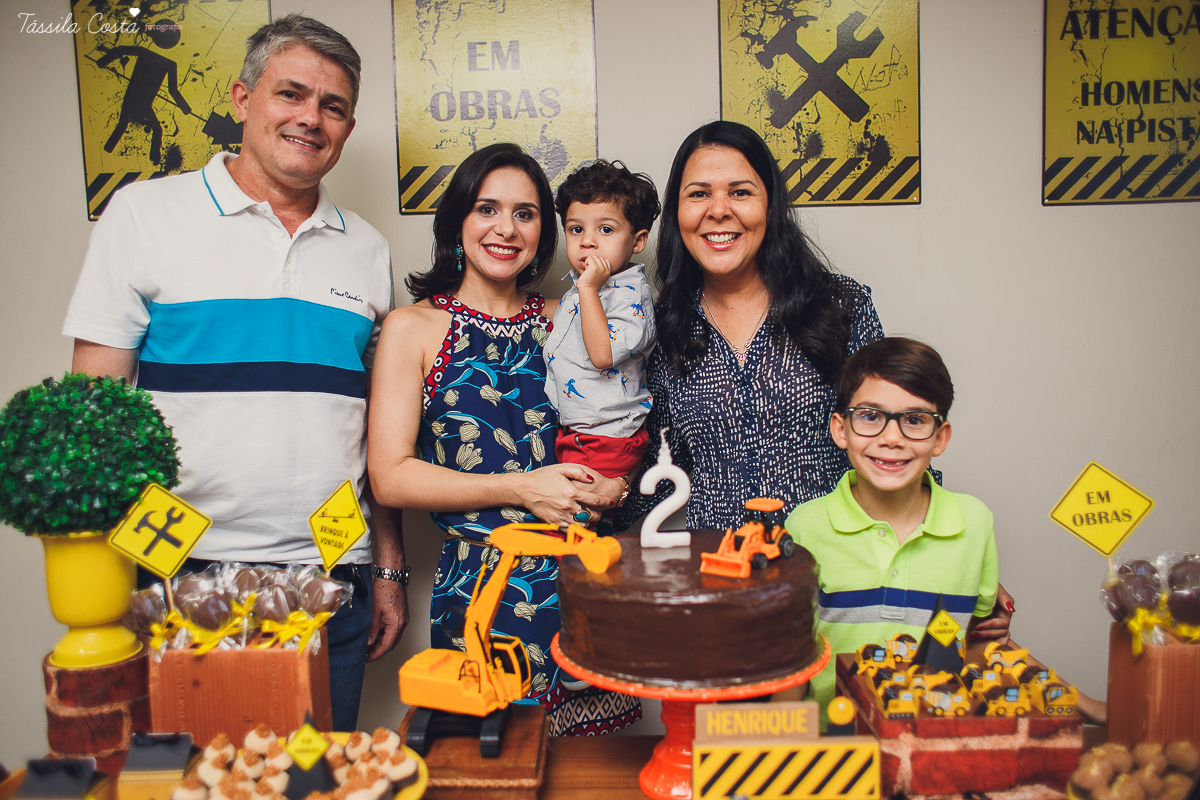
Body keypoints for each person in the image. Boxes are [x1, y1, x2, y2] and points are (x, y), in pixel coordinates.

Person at [61, 14, 407, 731]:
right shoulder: (144, 214)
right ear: (242, 98)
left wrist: (388, 566)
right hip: (181, 574)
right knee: (197, 780)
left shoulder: (368, 251)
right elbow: (92, 418)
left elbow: (378, 433)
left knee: (315, 780)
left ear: (347, 127)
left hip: (330, 575)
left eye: (333, 106)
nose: (311, 118)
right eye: (292, 93)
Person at [616, 120, 1015, 638]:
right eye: (699, 194)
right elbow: (657, 460)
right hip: (721, 587)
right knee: (728, 721)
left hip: (840, 585)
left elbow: (891, 428)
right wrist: (594, 522)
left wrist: (956, 563)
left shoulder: (840, 306)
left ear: (771, 206)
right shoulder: (659, 324)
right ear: (679, 215)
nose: (719, 210)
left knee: (845, 710)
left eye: (741, 192)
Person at [368, 143, 641, 736]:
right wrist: (523, 486)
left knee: (587, 777)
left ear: (546, 230)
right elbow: (390, 475)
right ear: (457, 220)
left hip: (583, 581)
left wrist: (619, 486)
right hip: (481, 591)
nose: (505, 228)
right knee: (488, 765)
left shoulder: (568, 315)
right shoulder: (412, 328)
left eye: (525, 213)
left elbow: (628, 417)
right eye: (486, 208)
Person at [783, 337, 997, 726]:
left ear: (941, 437)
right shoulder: (806, 526)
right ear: (840, 429)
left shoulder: (976, 522)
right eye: (870, 416)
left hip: (934, 748)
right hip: (835, 753)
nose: (892, 438)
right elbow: (793, 659)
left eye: (914, 420)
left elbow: (980, 641)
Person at [543, 160, 659, 503]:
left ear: (637, 240)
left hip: (608, 437)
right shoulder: (580, 289)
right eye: (575, 229)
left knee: (574, 520)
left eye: (605, 230)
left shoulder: (629, 297)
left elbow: (602, 354)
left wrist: (589, 289)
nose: (587, 242)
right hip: (581, 430)